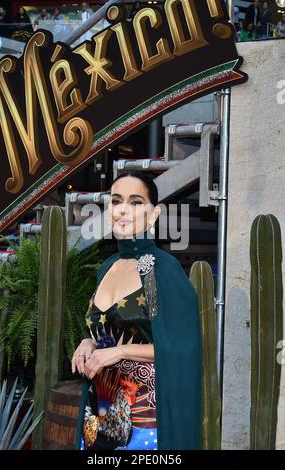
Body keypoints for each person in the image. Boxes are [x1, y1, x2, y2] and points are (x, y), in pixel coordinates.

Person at [72, 171, 202, 450]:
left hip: (145, 421)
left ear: (154, 215)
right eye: (116, 201)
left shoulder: (152, 269)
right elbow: (118, 328)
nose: (123, 210)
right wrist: (89, 342)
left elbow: (170, 343)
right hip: (99, 411)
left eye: (135, 202)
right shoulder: (108, 267)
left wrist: (118, 352)